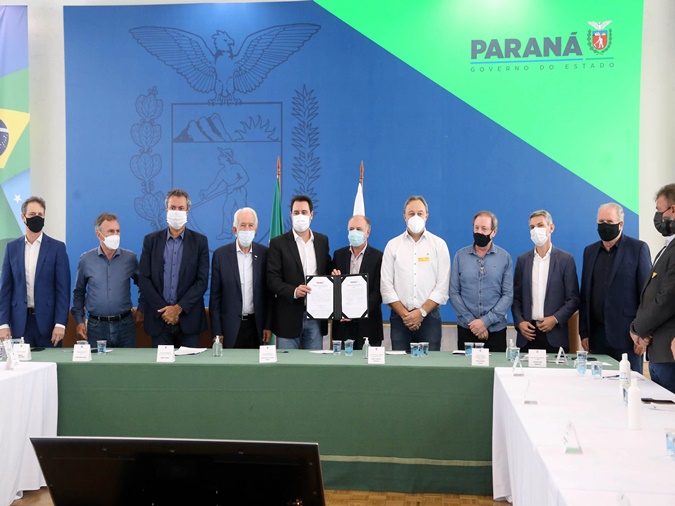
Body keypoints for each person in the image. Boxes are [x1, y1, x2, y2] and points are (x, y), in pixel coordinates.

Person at [579, 202, 651, 372]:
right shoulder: (589, 252)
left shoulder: (638, 249)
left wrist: (642, 333)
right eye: (601, 222)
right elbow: (585, 295)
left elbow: (647, 295)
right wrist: (584, 332)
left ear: (621, 224)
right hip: (597, 339)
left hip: (628, 338)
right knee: (598, 385)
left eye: (609, 222)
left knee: (629, 384)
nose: (605, 226)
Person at [138, 189, 209, 348]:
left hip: (189, 320)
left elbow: (202, 281)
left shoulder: (200, 242)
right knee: (161, 365)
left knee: (190, 364)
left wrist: (178, 309)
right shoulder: (151, 241)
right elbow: (144, 279)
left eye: (181, 208)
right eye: (173, 208)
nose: (176, 212)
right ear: (166, 210)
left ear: (187, 211)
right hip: (159, 320)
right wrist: (165, 311)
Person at [381, 196, 450, 351]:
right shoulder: (392, 245)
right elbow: (386, 285)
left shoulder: (439, 245)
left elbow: (443, 285)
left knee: (430, 363)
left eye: (420, 213)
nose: (416, 217)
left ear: (427, 216)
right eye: (411, 214)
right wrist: (405, 315)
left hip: (430, 317)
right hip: (400, 318)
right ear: (404, 216)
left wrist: (422, 312)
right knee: (400, 364)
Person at [0, 196, 70, 347]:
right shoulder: (12, 248)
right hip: (19, 324)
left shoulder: (57, 248)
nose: (37, 218)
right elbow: (5, 289)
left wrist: (60, 323)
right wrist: (3, 324)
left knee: (50, 361)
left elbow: (63, 290)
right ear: (23, 217)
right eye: (32, 214)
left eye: (40, 214)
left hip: (49, 325)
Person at [267, 195, 331, 349]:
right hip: (288, 317)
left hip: (316, 316)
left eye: (304, 212)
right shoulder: (278, 243)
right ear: (291, 215)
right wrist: (294, 291)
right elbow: (272, 279)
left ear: (311, 215)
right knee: (287, 363)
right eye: (296, 213)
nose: (300, 216)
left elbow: (326, 271)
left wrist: (334, 277)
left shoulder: (322, 241)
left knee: (315, 362)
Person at [512, 210, 579, 353]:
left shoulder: (566, 260)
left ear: (551, 228)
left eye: (540, 225)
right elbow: (516, 298)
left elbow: (573, 299)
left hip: (555, 335)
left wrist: (555, 319)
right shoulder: (522, 261)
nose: (536, 230)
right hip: (528, 335)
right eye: (532, 227)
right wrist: (520, 322)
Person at [71, 213, 141, 348]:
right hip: (96, 326)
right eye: (111, 231)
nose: (116, 235)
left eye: (118, 231)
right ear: (99, 235)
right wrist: (79, 321)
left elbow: (144, 286)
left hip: (125, 325)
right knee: (97, 362)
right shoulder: (86, 260)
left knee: (128, 362)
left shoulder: (130, 258)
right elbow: (78, 292)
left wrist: (141, 309)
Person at [631, 184, 675, 393]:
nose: (657, 217)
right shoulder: (668, 247)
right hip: (657, 351)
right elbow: (651, 294)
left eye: (659, 210)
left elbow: (666, 299)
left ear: (673, 210)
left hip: (669, 354)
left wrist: (637, 328)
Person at [450, 210, 513, 353]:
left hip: (496, 330)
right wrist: (473, 323)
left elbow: (508, 295)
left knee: (495, 367)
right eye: (476, 228)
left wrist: (485, 322)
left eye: (484, 229)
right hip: (467, 328)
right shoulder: (460, 256)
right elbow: (454, 293)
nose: (479, 232)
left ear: (494, 232)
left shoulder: (504, 258)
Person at [209, 207, 272, 348]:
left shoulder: (265, 254)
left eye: (251, 225)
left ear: (256, 229)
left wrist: (268, 325)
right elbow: (215, 298)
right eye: (242, 225)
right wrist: (217, 331)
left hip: (257, 327)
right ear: (234, 229)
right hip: (229, 328)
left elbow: (269, 294)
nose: (247, 229)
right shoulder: (221, 255)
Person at [331, 215, 383, 349]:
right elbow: (332, 289)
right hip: (342, 326)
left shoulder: (378, 257)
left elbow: (378, 292)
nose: (354, 232)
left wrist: (355, 312)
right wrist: (334, 281)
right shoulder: (338, 255)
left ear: (367, 232)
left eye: (359, 229)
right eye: (351, 229)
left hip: (369, 326)